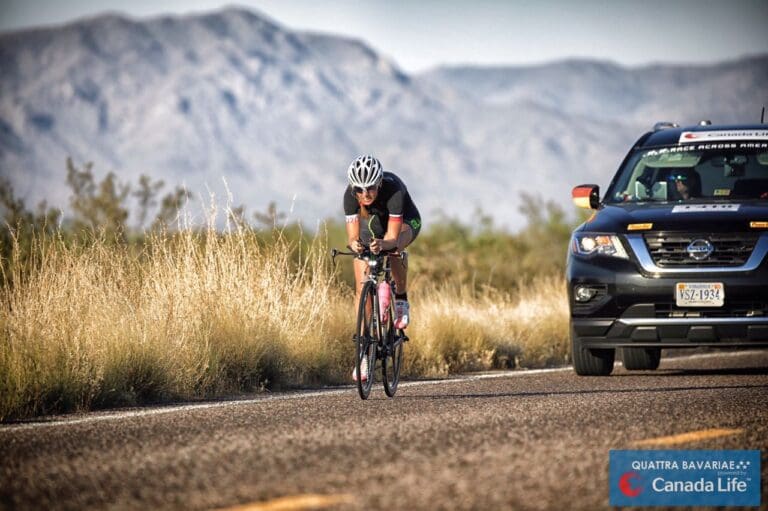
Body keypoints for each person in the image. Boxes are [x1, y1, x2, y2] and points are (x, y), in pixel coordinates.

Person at [343, 155, 421, 382]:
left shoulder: (394, 190)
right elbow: (352, 237)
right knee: (361, 282)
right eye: (359, 189)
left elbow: (392, 236)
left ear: (379, 184)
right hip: (374, 226)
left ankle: (401, 298)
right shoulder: (350, 197)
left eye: (370, 189)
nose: (365, 194)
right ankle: (364, 351)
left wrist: (384, 245)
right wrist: (356, 244)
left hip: (405, 222)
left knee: (394, 248)